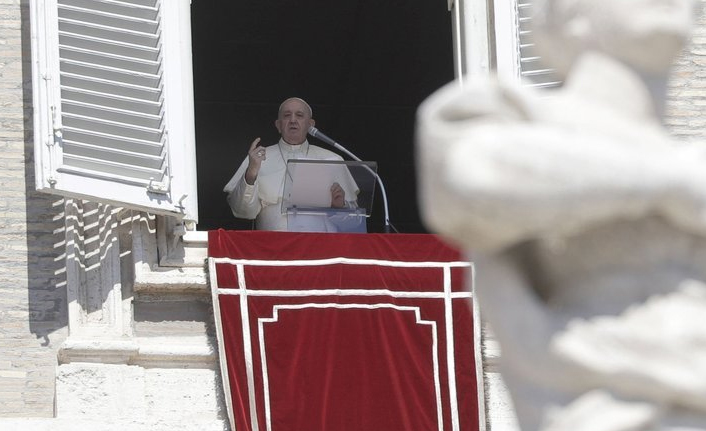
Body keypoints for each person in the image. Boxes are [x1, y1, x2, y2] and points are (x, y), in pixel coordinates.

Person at [416, 0, 706, 429]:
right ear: (568, 17)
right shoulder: (511, 117)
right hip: (608, 400)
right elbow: (472, 177)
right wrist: (669, 179)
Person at [224, 97, 359, 231]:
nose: (293, 120)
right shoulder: (257, 159)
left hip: (320, 249)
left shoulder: (332, 159)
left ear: (310, 125)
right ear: (278, 125)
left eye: (299, 115)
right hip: (272, 248)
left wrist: (339, 208)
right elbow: (242, 212)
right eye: (287, 115)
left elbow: (354, 224)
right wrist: (251, 174)